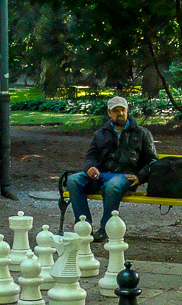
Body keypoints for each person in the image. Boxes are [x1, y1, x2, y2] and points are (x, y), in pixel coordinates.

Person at [67, 96, 158, 241]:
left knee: (112, 186)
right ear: (109, 113)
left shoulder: (142, 133)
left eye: (123, 110)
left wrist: (140, 177)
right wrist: (90, 167)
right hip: (101, 175)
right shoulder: (100, 134)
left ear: (127, 111)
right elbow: (90, 157)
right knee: (72, 180)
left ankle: (106, 229)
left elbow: (153, 161)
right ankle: (83, 227)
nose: (120, 113)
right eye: (116, 111)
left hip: (124, 177)